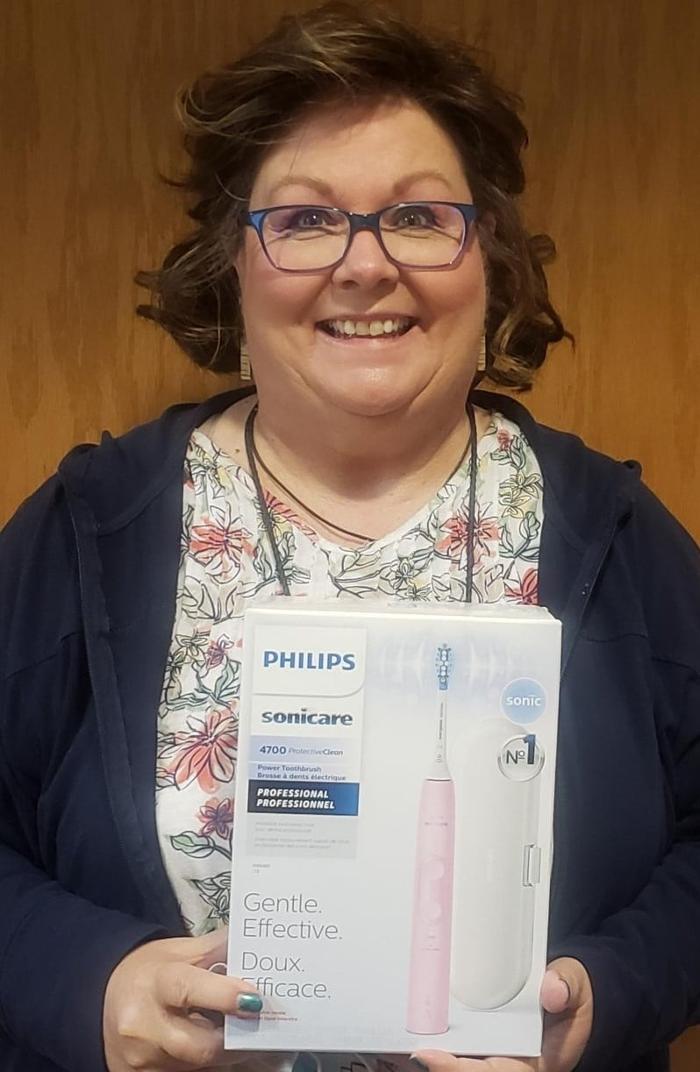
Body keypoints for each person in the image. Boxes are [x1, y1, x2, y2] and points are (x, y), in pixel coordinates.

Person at [1, 3, 699, 1072]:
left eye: (417, 216)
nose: (365, 265)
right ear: (234, 263)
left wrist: (611, 996)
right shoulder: (89, 528)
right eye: (305, 219)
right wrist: (86, 982)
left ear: (486, 255)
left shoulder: (618, 534)